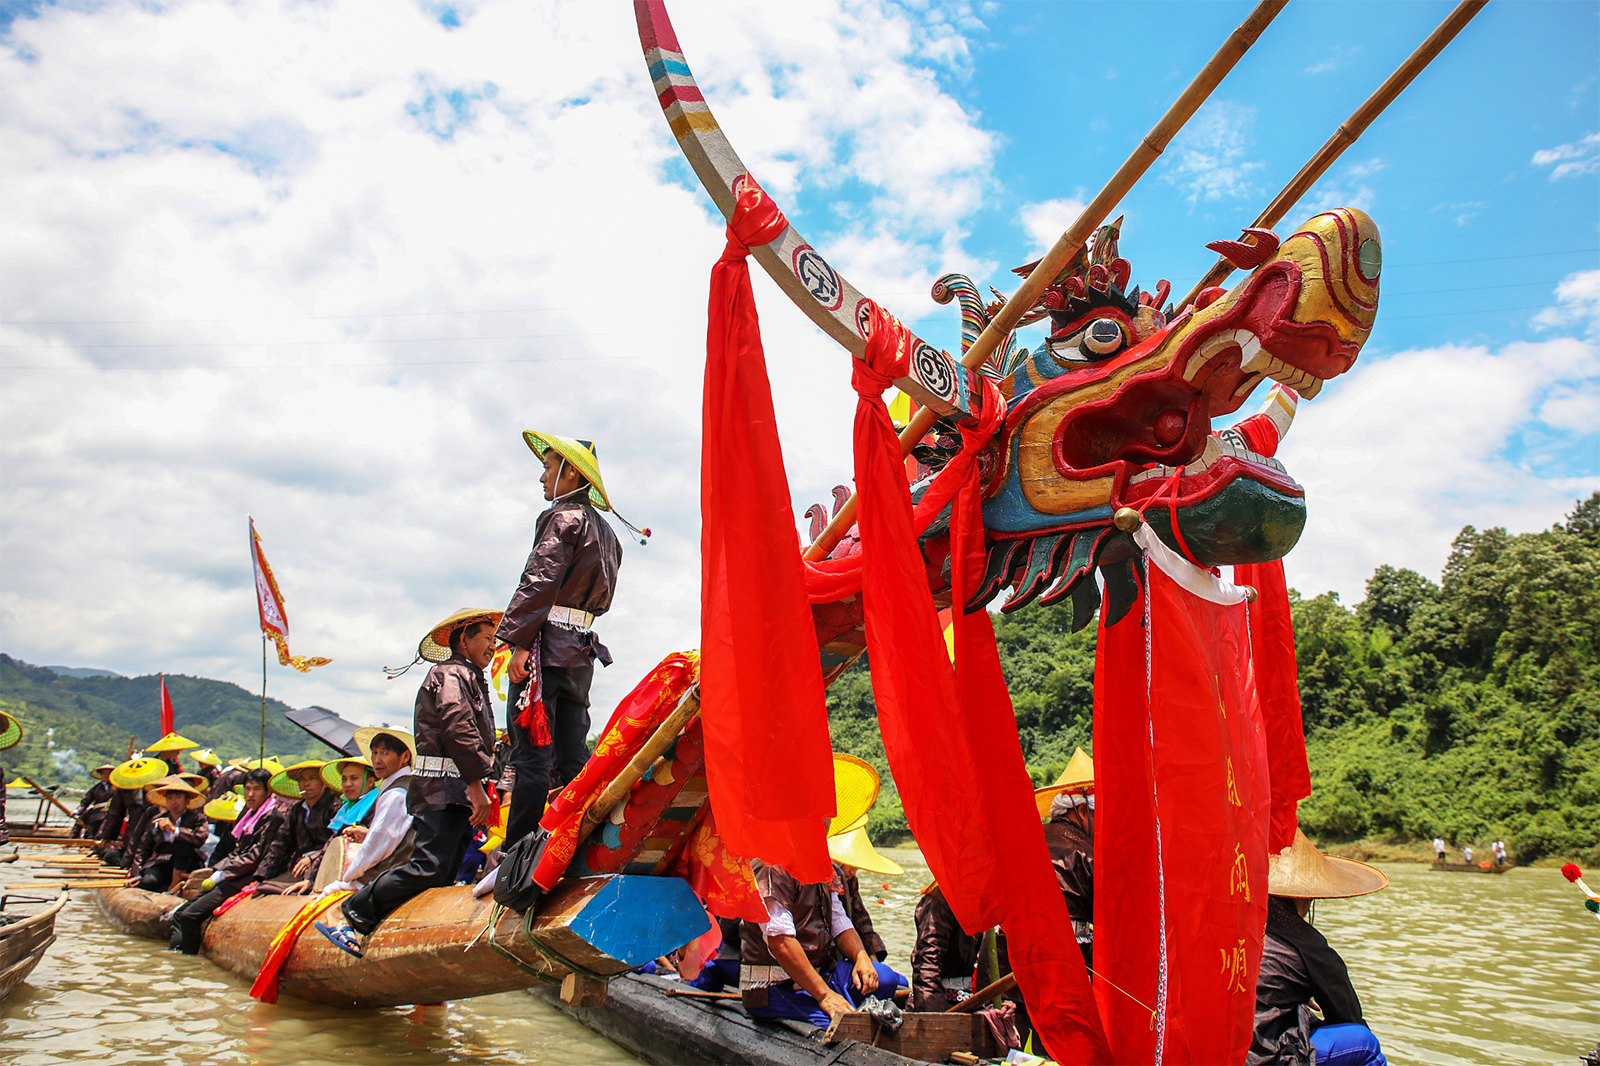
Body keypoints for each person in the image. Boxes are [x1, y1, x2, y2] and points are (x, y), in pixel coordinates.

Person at [318, 611, 497, 955]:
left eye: (494, 640)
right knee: (428, 867)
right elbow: (458, 727)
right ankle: (355, 911)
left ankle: (411, 935)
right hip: (441, 790)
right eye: (485, 639)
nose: (492, 646)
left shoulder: (469, 676)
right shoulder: (449, 673)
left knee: (445, 874)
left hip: (453, 789)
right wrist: (475, 785)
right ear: (464, 640)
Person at [498, 433, 629, 846]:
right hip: (579, 651)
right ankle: (573, 844)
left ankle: (517, 854)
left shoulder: (562, 517)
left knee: (532, 758)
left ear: (570, 472)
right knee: (573, 757)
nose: (541, 477)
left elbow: (539, 580)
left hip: (545, 647)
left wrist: (519, 644)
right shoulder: (609, 534)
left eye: (548, 468)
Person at [1250, 827, 1391, 1066]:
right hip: (1265, 1055)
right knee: (1365, 1044)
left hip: (1230, 1045)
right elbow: (1346, 1014)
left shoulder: (1244, 924)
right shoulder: (1307, 942)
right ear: (1304, 896)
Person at [739, 859, 905, 1027]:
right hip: (776, 985)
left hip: (821, 971)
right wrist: (825, 996)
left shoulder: (821, 867)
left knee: (885, 979)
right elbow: (780, 942)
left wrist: (861, 956)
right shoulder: (770, 869)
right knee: (844, 1027)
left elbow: (838, 919)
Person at [169, 767, 289, 954]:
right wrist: (220, 869)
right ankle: (175, 954)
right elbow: (238, 849)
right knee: (179, 913)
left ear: (268, 792)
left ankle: (187, 959)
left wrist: (222, 869)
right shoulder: (248, 814)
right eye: (247, 788)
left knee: (189, 916)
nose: (250, 794)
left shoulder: (272, 817)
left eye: (256, 789)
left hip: (246, 876)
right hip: (232, 873)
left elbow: (255, 856)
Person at [314, 734, 416, 895]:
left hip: (388, 874)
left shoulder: (396, 793)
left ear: (405, 757)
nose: (377, 759)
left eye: (384, 753)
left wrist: (348, 877)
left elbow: (378, 845)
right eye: (374, 753)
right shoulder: (400, 787)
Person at [259, 761, 336, 892]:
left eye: (312, 778)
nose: (306, 784)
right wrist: (262, 875)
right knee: (265, 888)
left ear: (324, 782)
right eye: (302, 779)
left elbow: (336, 841)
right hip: (299, 868)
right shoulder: (297, 809)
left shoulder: (335, 806)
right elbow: (281, 843)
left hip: (326, 866)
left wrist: (312, 858)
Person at [125, 781, 208, 893]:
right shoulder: (158, 819)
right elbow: (143, 848)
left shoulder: (197, 818)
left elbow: (200, 838)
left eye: (178, 797)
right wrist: (137, 874)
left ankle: (174, 885)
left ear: (187, 801)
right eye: (169, 798)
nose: (173, 802)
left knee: (183, 845)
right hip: (162, 862)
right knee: (148, 882)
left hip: (188, 864)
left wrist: (175, 830)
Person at [910, 883, 981, 1011]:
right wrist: (933, 1013)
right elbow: (927, 963)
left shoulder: (984, 898)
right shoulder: (939, 899)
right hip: (943, 999)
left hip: (972, 998)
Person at [73, 765, 117, 840]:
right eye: (104, 773)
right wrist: (77, 811)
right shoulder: (95, 788)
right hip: (97, 813)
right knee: (84, 820)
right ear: (101, 775)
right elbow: (86, 802)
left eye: (108, 773)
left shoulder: (117, 787)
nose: (106, 775)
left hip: (112, 812)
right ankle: (75, 838)